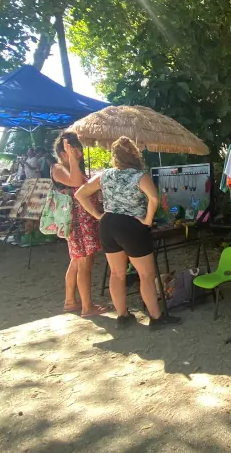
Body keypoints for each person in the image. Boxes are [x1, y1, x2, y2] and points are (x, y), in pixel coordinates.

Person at [75, 136, 180, 329]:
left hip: (108, 224)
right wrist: (148, 220)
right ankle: (156, 318)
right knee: (146, 274)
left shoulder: (104, 175)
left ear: (115, 156)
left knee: (116, 273)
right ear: (134, 154)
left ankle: (122, 316)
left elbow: (80, 194)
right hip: (131, 225)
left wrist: (97, 215)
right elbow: (154, 199)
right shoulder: (139, 175)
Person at [51, 132, 107, 317]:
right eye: (76, 150)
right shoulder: (59, 169)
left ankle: (70, 301)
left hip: (84, 221)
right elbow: (75, 182)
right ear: (63, 151)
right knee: (84, 263)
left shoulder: (73, 168)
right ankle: (87, 307)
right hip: (77, 223)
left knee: (76, 261)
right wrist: (73, 159)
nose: (80, 154)